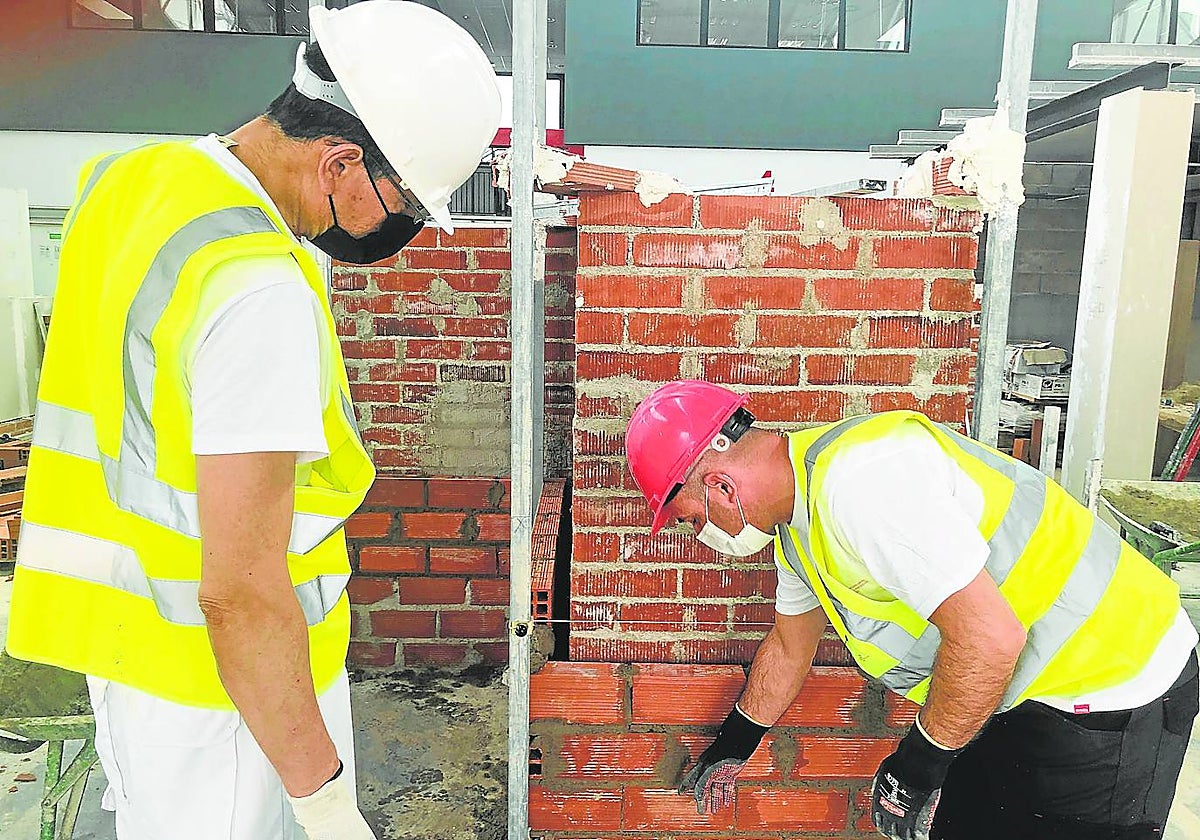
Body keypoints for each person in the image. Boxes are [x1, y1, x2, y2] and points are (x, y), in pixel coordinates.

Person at [4, 3, 500, 839]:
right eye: (406, 203)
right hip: (226, 700)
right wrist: (326, 800)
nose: (404, 229)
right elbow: (238, 591)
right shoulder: (257, 288)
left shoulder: (133, 181)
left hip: (135, 663)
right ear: (340, 159)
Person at [624, 380, 1199, 840]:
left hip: (1114, 680)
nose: (702, 535)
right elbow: (788, 646)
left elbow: (989, 640)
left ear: (722, 488)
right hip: (1016, 691)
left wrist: (917, 764)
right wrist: (733, 747)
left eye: (692, 520)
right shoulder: (796, 526)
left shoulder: (863, 486)